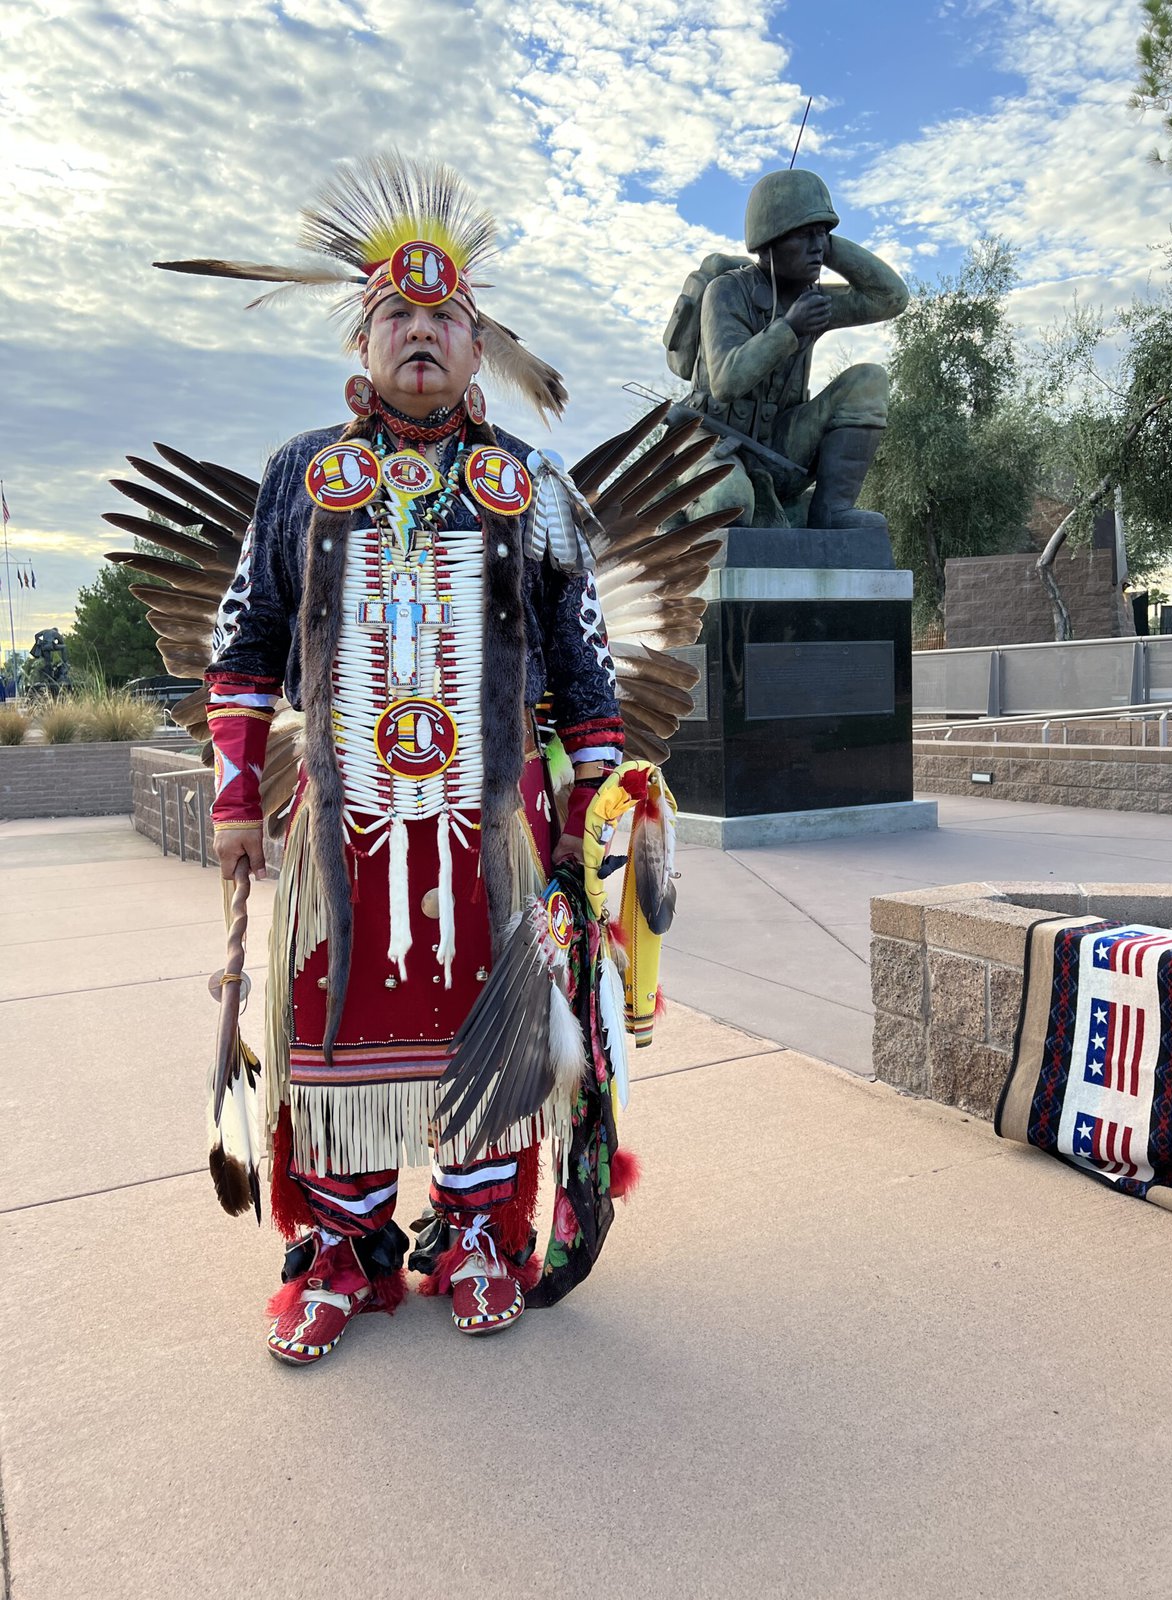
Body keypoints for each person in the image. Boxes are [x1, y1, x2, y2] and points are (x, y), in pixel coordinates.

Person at [176, 155, 631, 1361]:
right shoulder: (301, 476)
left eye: (445, 321)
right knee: (333, 1030)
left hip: (496, 825)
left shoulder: (525, 485)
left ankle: (478, 1232)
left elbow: (585, 664)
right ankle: (341, 1249)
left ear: (479, 352)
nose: (421, 335)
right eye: (398, 317)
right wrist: (233, 794)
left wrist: (597, 801)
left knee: (494, 1023)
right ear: (365, 341)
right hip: (348, 827)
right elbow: (245, 641)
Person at [668, 169, 909, 532]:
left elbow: (889, 298)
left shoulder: (812, 298)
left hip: (777, 445)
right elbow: (725, 382)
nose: (818, 245)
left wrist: (829, 249)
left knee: (868, 380)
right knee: (729, 504)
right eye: (805, 235)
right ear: (771, 238)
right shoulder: (726, 291)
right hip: (711, 438)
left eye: (823, 235)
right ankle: (681, 509)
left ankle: (831, 510)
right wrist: (790, 328)